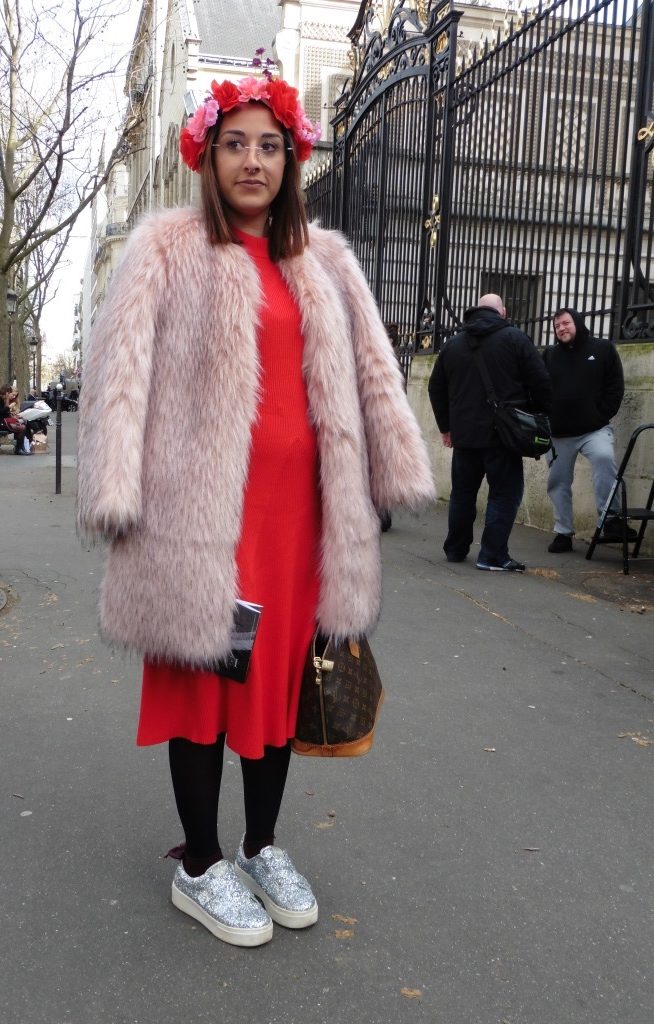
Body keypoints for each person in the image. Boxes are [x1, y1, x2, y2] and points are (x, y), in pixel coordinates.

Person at [77, 73, 435, 948]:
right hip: (201, 525)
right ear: (208, 156)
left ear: (291, 161)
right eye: (235, 143)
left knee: (277, 686)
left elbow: (373, 377)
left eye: (269, 146)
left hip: (300, 527)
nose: (252, 161)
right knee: (205, 683)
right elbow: (117, 379)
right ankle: (201, 864)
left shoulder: (328, 261)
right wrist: (115, 491)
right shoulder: (166, 249)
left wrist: (388, 472)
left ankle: (261, 846)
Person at [428, 294, 552, 571]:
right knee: (504, 494)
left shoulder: (453, 344)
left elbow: (436, 388)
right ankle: (492, 555)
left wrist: (446, 428)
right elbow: (541, 381)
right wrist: (539, 415)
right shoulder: (515, 338)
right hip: (504, 435)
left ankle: (455, 549)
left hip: (464, 435)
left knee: (462, 494)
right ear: (502, 312)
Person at [543, 308, 634, 552]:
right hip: (559, 433)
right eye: (557, 326)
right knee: (557, 481)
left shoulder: (603, 349)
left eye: (565, 323)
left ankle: (611, 520)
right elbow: (538, 387)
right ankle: (563, 533)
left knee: (604, 458)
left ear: (577, 322)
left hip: (594, 429)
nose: (561, 328)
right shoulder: (549, 355)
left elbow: (615, 386)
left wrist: (601, 414)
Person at [0, 385, 30, 455]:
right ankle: (19, 449)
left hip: (0, 422)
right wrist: (9, 407)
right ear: (6, 392)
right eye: (11, 394)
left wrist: (12, 414)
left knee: (21, 425)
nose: (13, 397)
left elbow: (3, 413)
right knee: (21, 428)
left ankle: (20, 447)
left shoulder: (0, 399)